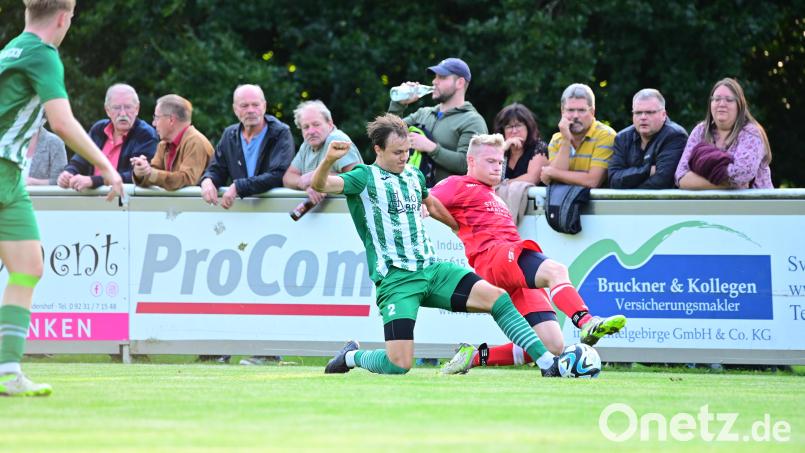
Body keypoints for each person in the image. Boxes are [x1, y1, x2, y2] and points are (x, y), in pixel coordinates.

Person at [312, 114, 565, 377]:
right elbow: (320, 184)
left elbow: (430, 203)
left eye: (407, 151)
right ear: (378, 149)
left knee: (498, 298)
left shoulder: (413, 175)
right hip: (397, 280)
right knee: (398, 364)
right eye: (397, 152)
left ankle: (548, 364)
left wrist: (458, 227)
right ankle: (351, 357)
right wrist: (329, 160)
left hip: (433, 270)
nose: (404, 157)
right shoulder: (363, 177)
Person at [0, 0, 124, 396]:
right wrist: (105, 164)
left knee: (28, 266)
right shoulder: (44, 54)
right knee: (25, 268)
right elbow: (62, 121)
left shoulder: (12, 49)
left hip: (12, 176)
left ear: (26, 14)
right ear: (63, 18)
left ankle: (7, 371)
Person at [430, 134, 626, 374]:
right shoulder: (457, 184)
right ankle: (587, 322)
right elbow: (430, 200)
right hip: (495, 256)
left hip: (506, 265)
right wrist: (420, 207)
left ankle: (473, 356)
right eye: (490, 161)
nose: (497, 167)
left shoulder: (493, 193)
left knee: (552, 345)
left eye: (500, 162)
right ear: (471, 160)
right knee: (556, 270)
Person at [389, 57, 487, 186]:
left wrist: (431, 148)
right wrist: (398, 104)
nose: (434, 81)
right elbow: (387, 135)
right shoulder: (423, 113)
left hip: (449, 203)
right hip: (413, 198)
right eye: (435, 77)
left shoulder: (473, 121)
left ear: (460, 82)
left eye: (442, 77)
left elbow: (469, 164)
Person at [200, 84, 294, 210]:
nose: (250, 110)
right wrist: (207, 181)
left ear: (264, 106)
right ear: (235, 109)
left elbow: (277, 175)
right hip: (240, 211)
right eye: (244, 106)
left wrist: (238, 187)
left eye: (255, 105)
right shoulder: (229, 135)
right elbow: (217, 169)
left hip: (273, 211)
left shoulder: (280, 133)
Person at [675, 78, 773, 189]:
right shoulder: (700, 130)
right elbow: (681, 177)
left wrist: (701, 172)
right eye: (716, 99)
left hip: (754, 204)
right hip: (711, 206)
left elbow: (742, 174)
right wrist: (725, 185)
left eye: (729, 100)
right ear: (710, 104)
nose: (722, 104)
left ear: (739, 105)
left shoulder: (751, 132)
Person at [57, 83, 157, 191]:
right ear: (107, 110)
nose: (123, 113)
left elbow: (136, 176)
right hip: (91, 201)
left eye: (128, 107)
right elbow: (80, 159)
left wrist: (94, 181)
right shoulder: (98, 129)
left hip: (125, 202)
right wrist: (68, 173)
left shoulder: (146, 134)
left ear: (137, 109)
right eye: (116, 108)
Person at [282, 100, 362, 206]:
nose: (311, 131)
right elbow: (288, 177)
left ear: (329, 124)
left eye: (316, 124)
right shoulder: (307, 144)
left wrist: (316, 178)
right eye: (306, 127)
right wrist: (303, 183)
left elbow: (357, 179)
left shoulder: (337, 140)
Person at [608, 89, 688, 189]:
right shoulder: (622, 138)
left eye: (649, 112)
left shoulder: (675, 136)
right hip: (627, 203)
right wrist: (648, 170)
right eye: (638, 112)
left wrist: (628, 188)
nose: (643, 117)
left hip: (664, 203)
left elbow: (662, 181)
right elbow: (613, 180)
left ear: (663, 115)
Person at [132, 94, 213, 190]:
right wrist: (140, 172)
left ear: (171, 120)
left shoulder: (196, 142)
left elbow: (187, 180)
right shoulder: (163, 145)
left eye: (157, 118)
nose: (153, 123)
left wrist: (151, 173)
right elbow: (154, 175)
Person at [541, 83, 615, 188]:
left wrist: (553, 172)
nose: (575, 116)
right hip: (563, 203)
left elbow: (593, 181)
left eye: (581, 110)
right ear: (562, 112)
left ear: (592, 112)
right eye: (570, 110)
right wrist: (566, 140)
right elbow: (554, 182)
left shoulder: (606, 136)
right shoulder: (557, 139)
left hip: (597, 204)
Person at [492, 103, 548, 184]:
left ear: (528, 127)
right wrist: (502, 149)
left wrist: (502, 184)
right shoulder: (500, 149)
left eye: (518, 125)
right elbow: (487, 177)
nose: (514, 131)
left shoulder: (539, 148)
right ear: (502, 131)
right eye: (509, 127)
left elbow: (532, 179)